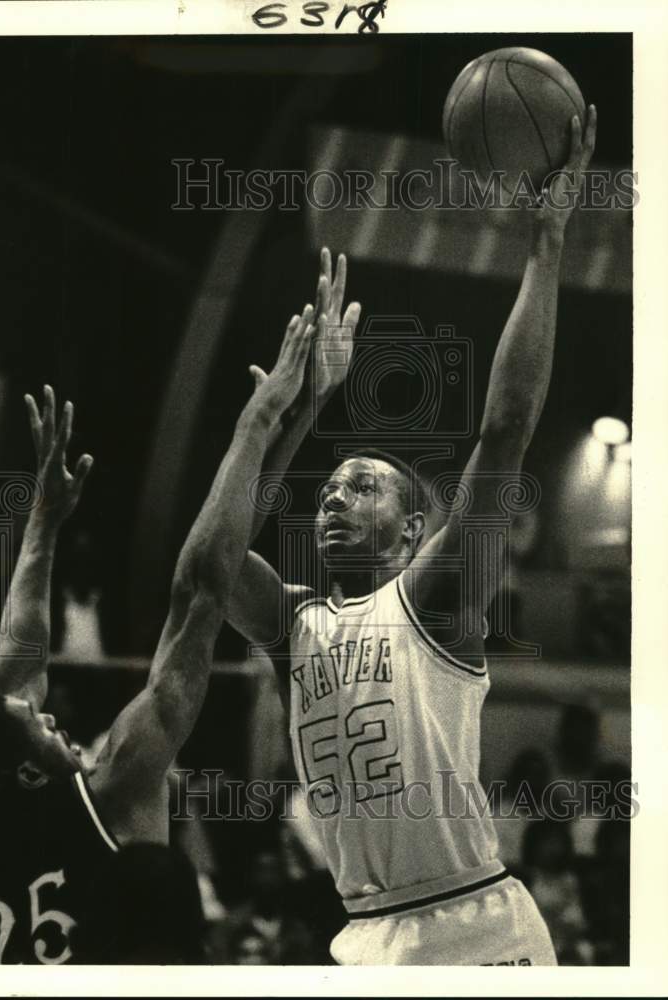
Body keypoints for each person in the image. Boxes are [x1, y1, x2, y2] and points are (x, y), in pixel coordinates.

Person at [227, 107, 597, 965]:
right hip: (363, 935)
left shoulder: (434, 597)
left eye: (361, 485)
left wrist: (547, 245)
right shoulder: (293, 626)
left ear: (413, 528)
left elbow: (504, 426)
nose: (332, 497)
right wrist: (290, 412)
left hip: (475, 921)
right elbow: (214, 559)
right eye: (326, 486)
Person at [0, 306, 318, 965]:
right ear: (26, 769)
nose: (49, 714)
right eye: (39, 722)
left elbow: (13, 676)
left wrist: (44, 525)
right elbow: (202, 588)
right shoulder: (115, 784)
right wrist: (260, 423)